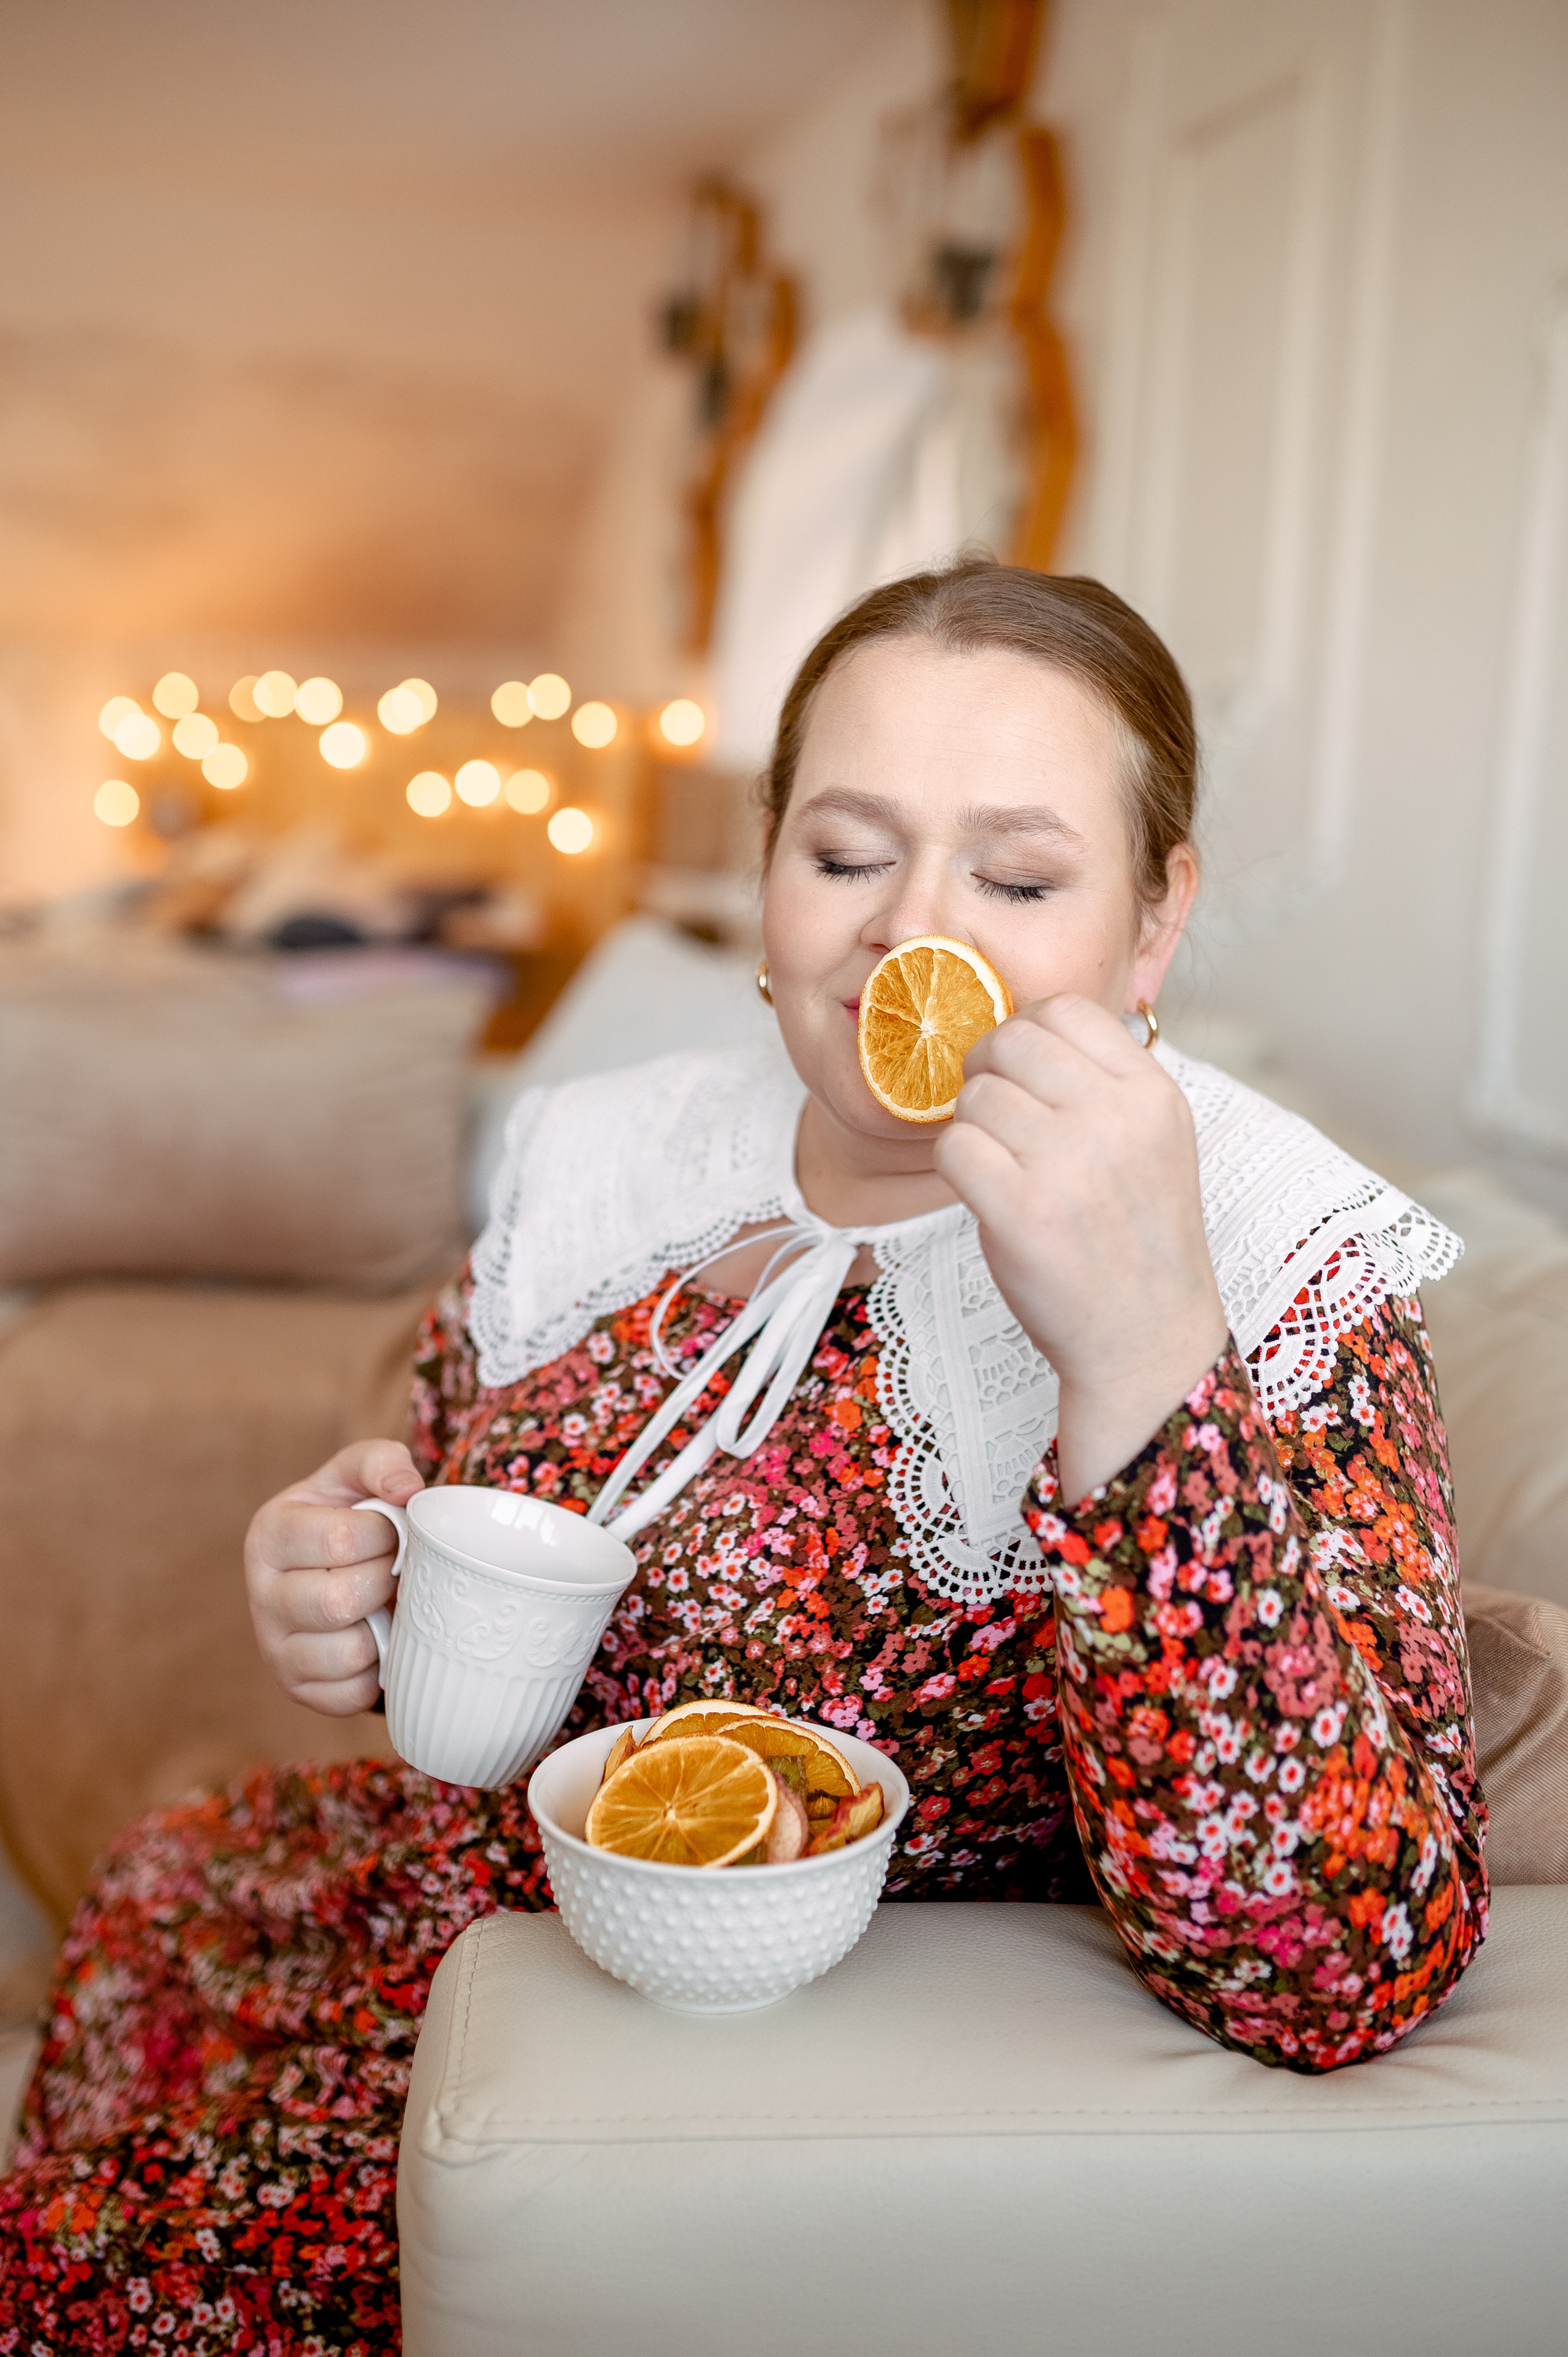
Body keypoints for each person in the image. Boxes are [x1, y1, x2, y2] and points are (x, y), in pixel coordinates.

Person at [0, 563, 1483, 2353]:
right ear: (769, 881)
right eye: (848, 857)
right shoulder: (619, 1160)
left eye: (1017, 879)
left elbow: (1334, 1966)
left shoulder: (1268, 1256)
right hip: (424, 1915)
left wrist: (1145, 1349)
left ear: (1155, 924)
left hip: (671, 2089)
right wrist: (350, 1575)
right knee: (153, 1899)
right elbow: (450, 1494)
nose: (905, 935)